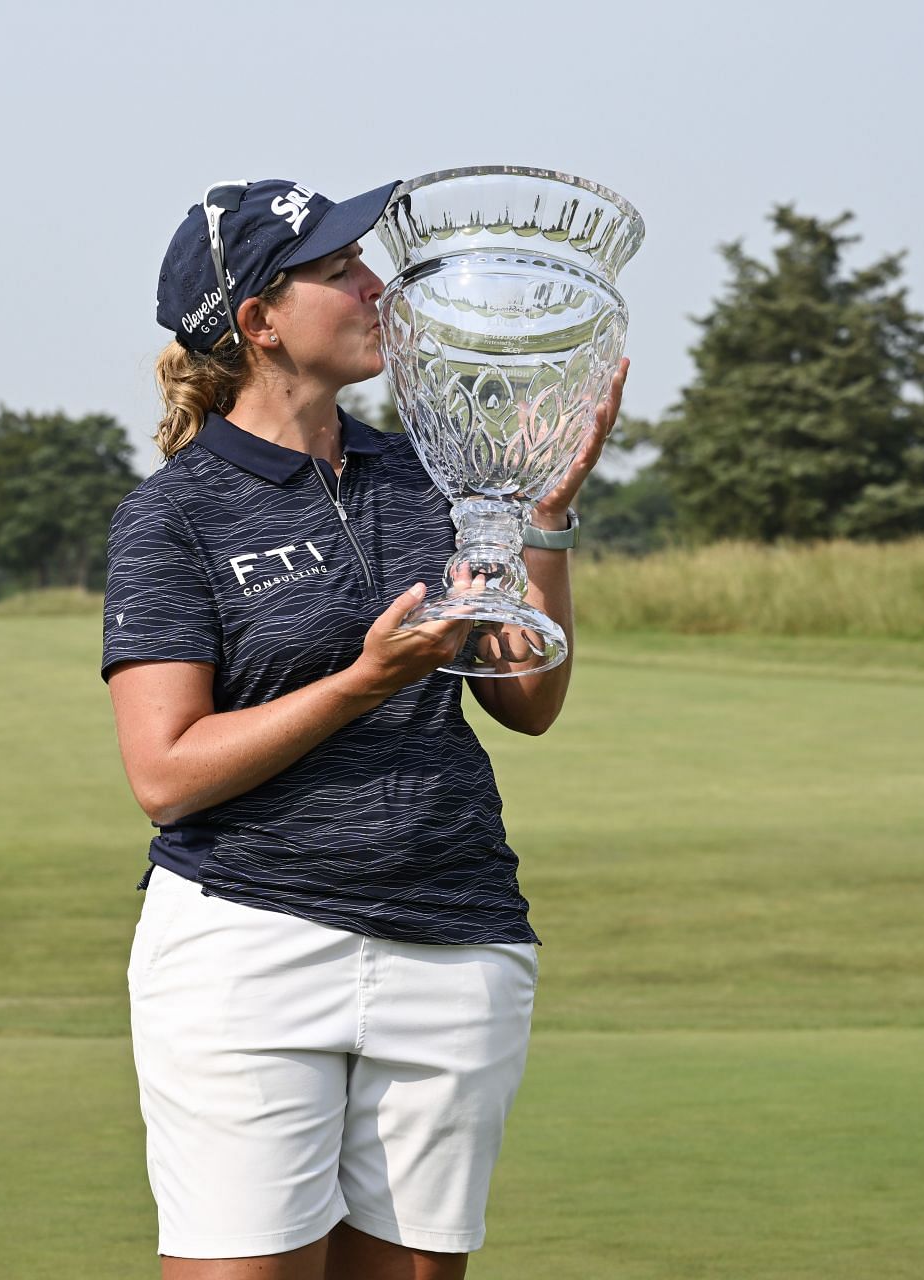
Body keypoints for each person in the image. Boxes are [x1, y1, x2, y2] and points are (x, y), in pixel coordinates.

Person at [102, 176, 626, 1279]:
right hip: (250, 943)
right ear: (260, 324)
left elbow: (524, 699)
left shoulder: (430, 476)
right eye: (337, 271)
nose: (374, 285)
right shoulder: (174, 517)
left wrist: (544, 520)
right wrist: (361, 681)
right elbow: (166, 772)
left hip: (453, 930)